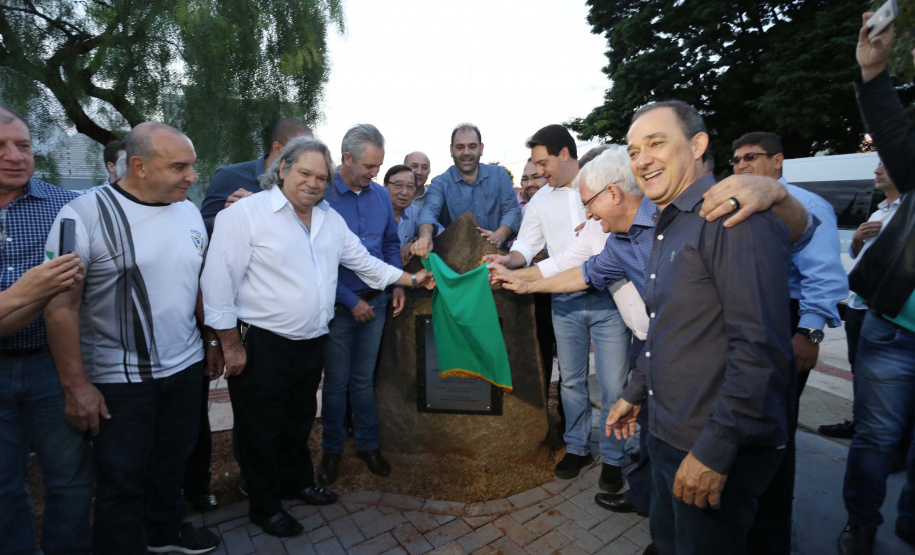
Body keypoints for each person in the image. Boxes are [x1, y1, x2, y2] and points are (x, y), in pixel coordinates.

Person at [201, 137, 431, 538]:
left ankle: (298, 483)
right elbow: (217, 283)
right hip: (264, 343)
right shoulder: (246, 214)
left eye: (321, 177)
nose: (313, 183)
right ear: (283, 169)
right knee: (262, 429)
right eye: (305, 173)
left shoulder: (328, 219)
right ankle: (265, 506)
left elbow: (363, 262)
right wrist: (229, 344)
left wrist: (410, 278)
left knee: (299, 420)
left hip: (312, 341)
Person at [44, 122, 222, 555]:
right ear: (138, 166)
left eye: (192, 166)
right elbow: (59, 306)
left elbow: (195, 280)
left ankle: (164, 532)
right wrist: (77, 387)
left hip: (185, 367)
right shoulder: (83, 215)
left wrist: (212, 341)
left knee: (173, 461)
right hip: (120, 380)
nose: (192, 177)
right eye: (179, 166)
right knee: (121, 480)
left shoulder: (186, 208)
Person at [485, 125, 630, 490]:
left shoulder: (602, 183)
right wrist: (507, 264)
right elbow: (526, 248)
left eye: (543, 162)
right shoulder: (538, 202)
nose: (539, 172)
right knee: (571, 382)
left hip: (609, 298)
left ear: (565, 153)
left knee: (614, 385)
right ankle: (577, 447)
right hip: (562, 301)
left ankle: (614, 457)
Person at [838, 16, 915, 555]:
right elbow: (894, 137)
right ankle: (861, 526)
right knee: (876, 439)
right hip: (893, 331)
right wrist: (874, 71)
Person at [0, 104, 92, 555]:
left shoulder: (64, 205)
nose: (15, 156)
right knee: (3, 488)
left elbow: (67, 298)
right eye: (0, 146)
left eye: (23, 145)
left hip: (49, 367)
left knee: (70, 480)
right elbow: (44, 295)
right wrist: (27, 292)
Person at [319, 124, 403, 485]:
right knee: (336, 384)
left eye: (379, 167)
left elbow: (388, 244)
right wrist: (351, 301)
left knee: (363, 381)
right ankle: (332, 451)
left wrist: (398, 282)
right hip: (339, 307)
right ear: (347, 158)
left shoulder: (380, 196)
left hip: (378, 302)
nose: (374, 174)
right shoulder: (322, 196)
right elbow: (318, 260)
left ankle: (369, 446)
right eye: (369, 167)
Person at [820, 161, 900, 439]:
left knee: (887, 380)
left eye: (884, 167)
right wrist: (856, 240)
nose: (877, 172)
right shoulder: (881, 211)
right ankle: (860, 424)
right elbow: (860, 257)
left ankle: (892, 442)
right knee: (861, 371)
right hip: (859, 305)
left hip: (885, 311)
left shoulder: (907, 214)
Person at [412, 123, 521, 256]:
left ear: (481, 148)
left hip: (498, 256)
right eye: (460, 147)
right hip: (457, 261)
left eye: (472, 146)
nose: (466, 152)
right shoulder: (439, 183)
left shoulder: (499, 175)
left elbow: (512, 210)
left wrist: (500, 235)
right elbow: (429, 212)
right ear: (451, 150)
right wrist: (425, 237)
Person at [199, 118, 312, 233]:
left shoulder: (309, 186)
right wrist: (230, 215)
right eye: (298, 152)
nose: (305, 159)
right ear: (278, 148)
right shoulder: (228, 176)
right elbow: (199, 228)